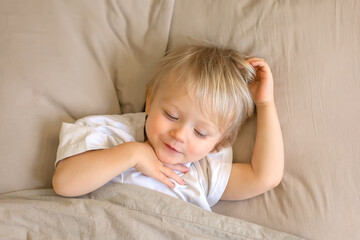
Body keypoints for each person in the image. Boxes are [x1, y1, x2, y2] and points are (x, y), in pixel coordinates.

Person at [52, 44, 284, 211]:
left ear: (219, 144)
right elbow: (64, 182)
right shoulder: (108, 134)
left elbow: (264, 177)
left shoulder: (202, 170)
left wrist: (265, 104)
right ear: (150, 100)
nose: (180, 135)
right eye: (171, 115)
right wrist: (132, 153)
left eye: (200, 133)